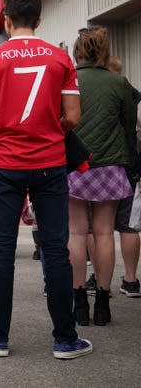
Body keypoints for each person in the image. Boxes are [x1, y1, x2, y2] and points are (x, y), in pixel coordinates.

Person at [0, 0, 91, 359]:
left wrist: (7, 128)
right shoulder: (60, 59)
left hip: (7, 165)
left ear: (6, 19)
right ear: (39, 20)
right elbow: (72, 116)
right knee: (55, 249)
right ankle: (65, 339)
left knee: (2, 250)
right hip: (50, 164)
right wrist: (45, 127)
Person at [67, 27, 135, 326]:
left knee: (77, 232)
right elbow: (128, 125)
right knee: (105, 233)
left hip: (74, 165)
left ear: (77, 50)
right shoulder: (119, 83)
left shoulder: (68, 81)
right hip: (110, 164)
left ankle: (79, 301)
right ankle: (104, 303)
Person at [108, 56, 141, 298]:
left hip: (99, 167)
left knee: (99, 228)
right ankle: (130, 280)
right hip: (129, 166)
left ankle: (99, 281)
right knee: (129, 225)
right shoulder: (135, 96)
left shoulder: (94, 92)